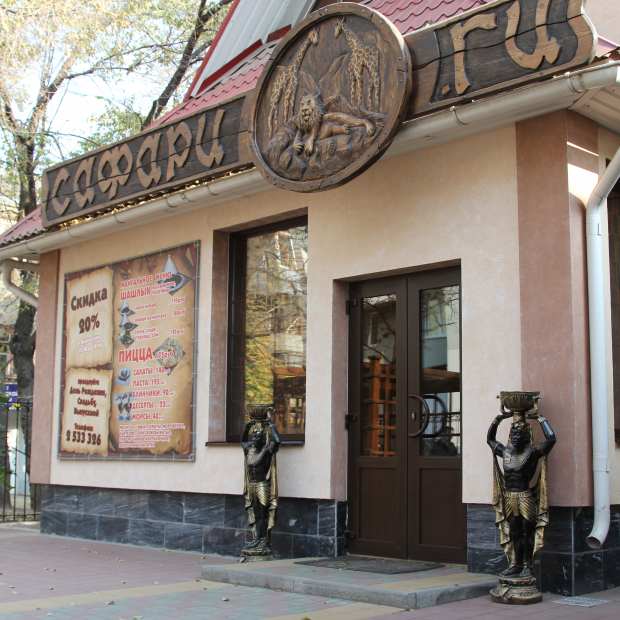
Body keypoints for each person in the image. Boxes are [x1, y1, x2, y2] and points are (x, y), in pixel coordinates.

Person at [487, 409, 556, 578]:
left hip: (525, 496)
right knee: (514, 533)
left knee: (527, 532)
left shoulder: (532, 453)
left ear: (526, 436)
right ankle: (515, 564)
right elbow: (490, 439)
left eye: (520, 434)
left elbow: (551, 439)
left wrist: (541, 419)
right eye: (514, 434)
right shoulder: (505, 452)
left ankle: (527, 565)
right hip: (509, 497)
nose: (516, 437)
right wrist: (497, 419)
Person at [241, 408, 281, 556]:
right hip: (251, 485)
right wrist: (247, 427)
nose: (254, 437)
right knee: (256, 513)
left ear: (262, 437)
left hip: (262, 485)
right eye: (253, 435)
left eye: (257, 436)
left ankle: (264, 540)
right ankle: (257, 539)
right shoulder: (249, 450)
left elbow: (277, 441)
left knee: (263, 514)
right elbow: (243, 441)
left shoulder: (266, 450)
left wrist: (271, 425)